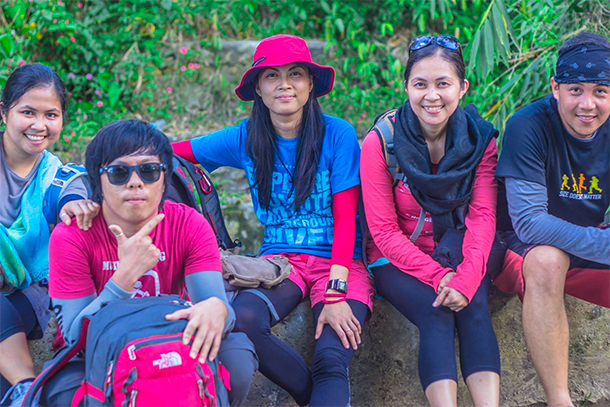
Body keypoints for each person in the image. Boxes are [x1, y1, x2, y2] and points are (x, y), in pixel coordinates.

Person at [173, 34, 374, 406]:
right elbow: (170, 154)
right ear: (258, 89)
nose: (284, 84)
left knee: (331, 355)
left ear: (311, 84)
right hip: (281, 263)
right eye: (271, 76)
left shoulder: (338, 134)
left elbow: (348, 220)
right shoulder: (247, 138)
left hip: (340, 261)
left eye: (296, 74)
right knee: (244, 320)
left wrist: (336, 291)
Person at [45, 119, 258, 406]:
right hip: (96, 350)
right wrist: (124, 278)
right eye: (119, 172)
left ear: (165, 179)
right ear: (97, 181)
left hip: (172, 335)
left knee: (238, 359)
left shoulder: (188, 223)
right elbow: (73, 338)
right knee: (62, 393)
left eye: (149, 171)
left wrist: (218, 308)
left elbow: (217, 310)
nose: (135, 182)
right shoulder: (73, 235)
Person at [360, 35, 501, 407]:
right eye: (420, 84)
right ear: (406, 86)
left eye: (443, 84)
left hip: (456, 248)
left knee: (473, 304)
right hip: (395, 257)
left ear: (462, 87)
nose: (431, 96)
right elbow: (384, 231)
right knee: (435, 311)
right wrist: (441, 278)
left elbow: (483, 215)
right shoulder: (382, 141)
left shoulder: (479, 139)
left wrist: (467, 279)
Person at [494, 31, 609, 407]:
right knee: (547, 259)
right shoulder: (528, 125)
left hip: (584, 244)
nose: (587, 104)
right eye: (576, 90)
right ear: (555, 87)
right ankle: (560, 402)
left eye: (600, 91)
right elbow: (529, 223)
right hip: (519, 250)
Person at [0, 64, 99, 406]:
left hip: (32, 292)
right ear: (4, 111)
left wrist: (74, 208)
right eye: (27, 112)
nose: (39, 125)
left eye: (51, 115)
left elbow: (69, 196)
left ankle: (26, 388)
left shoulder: (57, 178)